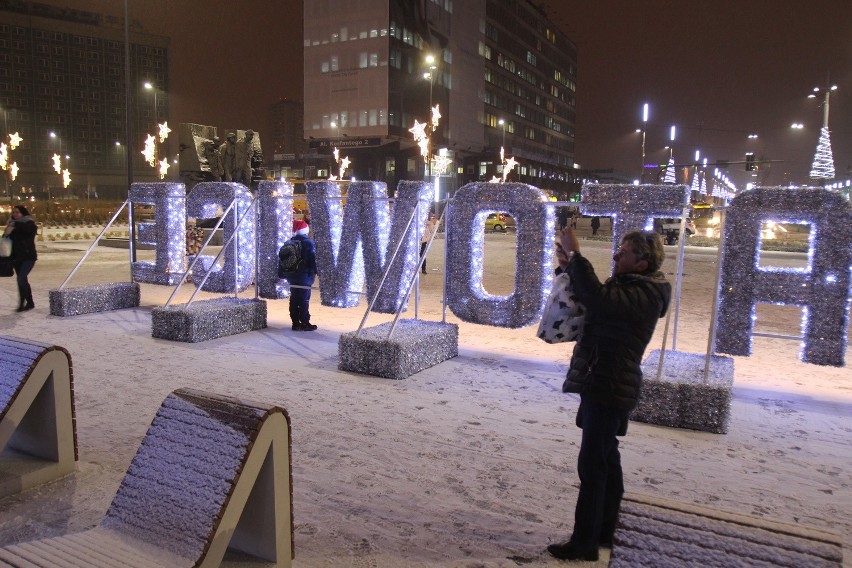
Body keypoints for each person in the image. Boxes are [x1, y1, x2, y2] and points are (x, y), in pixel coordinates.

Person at [547, 227, 671, 562]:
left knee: (593, 466)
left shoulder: (645, 293)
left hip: (610, 384)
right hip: (603, 381)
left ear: (642, 263)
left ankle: (585, 542)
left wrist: (577, 256)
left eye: (624, 252)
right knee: (606, 460)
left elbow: (600, 300)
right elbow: (592, 301)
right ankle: (604, 531)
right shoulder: (634, 286)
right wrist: (567, 267)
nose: (616, 255)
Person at [285, 219, 318, 331]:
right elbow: (313, 260)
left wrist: (283, 274)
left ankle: (295, 322)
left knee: (294, 298)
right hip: (305, 277)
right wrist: (318, 272)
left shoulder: (289, 243)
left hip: (291, 276)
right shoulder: (309, 243)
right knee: (304, 299)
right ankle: (305, 322)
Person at [4, 205, 38, 312]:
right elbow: (5, 241)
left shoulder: (29, 222)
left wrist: (16, 225)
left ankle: (25, 303)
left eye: (17, 212)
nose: (14, 214)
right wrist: (6, 234)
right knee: (22, 280)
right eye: (13, 212)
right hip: (16, 258)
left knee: (21, 278)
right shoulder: (11, 224)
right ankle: (28, 302)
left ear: (23, 213)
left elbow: (30, 230)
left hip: (28, 257)